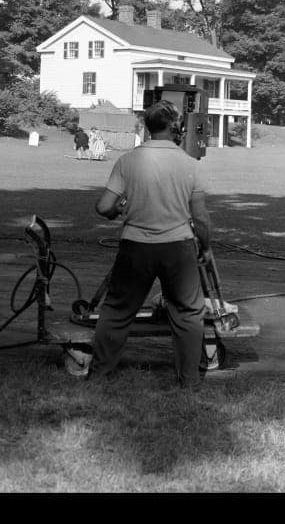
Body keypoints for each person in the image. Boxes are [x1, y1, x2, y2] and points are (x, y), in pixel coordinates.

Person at [88, 100, 211, 389]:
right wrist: (205, 247)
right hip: (178, 248)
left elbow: (104, 206)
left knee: (117, 310)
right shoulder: (190, 164)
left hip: (135, 247)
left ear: (148, 127)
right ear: (176, 127)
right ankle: (189, 382)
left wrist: (118, 211)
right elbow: (202, 218)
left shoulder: (128, 160)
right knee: (188, 313)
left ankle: (99, 375)